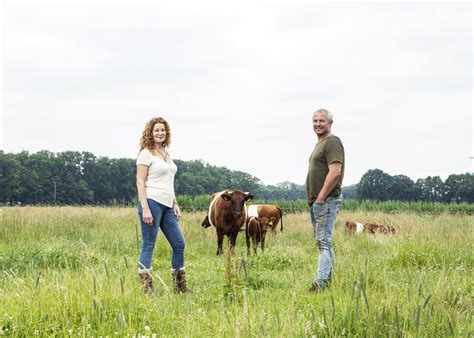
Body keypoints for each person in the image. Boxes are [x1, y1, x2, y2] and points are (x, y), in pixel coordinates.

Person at [136, 117, 190, 294]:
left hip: (167, 205)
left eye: (163, 130)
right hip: (152, 202)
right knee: (149, 244)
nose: (160, 133)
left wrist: (175, 203)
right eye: (156, 130)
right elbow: (140, 182)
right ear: (150, 133)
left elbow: (169, 181)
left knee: (179, 244)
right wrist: (145, 208)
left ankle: (179, 287)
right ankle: (147, 289)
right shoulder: (146, 153)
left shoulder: (166, 153)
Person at [306, 108, 345, 292]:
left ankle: (320, 283)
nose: (317, 124)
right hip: (318, 202)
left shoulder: (332, 142)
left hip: (326, 200)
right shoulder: (320, 144)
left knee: (323, 241)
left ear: (330, 123)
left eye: (321, 121)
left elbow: (335, 171)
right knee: (323, 241)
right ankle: (326, 281)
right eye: (315, 121)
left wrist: (321, 197)